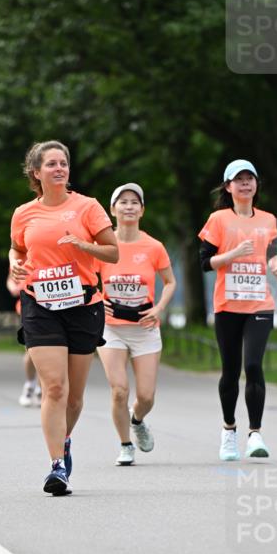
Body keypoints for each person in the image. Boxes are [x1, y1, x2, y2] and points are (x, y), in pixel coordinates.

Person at [10, 140, 118, 495]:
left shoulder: (87, 207)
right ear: (36, 172)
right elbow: (18, 248)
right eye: (51, 164)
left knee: (73, 397)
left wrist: (83, 246)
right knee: (54, 388)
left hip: (82, 305)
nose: (59, 169)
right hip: (39, 304)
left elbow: (113, 252)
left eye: (63, 164)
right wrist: (13, 262)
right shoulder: (24, 213)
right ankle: (57, 467)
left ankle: (65, 439)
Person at [198, 159, 277, 460]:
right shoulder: (218, 220)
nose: (245, 184)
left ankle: (255, 434)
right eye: (239, 180)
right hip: (227, 305)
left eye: (250, 179)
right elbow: (204, 262)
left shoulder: (268, 219)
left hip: (259, 304)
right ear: (228, 186)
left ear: (256, 185)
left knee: (253, 365)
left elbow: (271, 253)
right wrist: (233, 254)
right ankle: (228, 430)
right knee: (231, 370)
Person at [98, 184, 176, 466]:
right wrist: (96, 300)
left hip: (144, 328)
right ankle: (125, 444)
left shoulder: (153, 246)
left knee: (145, 396)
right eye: (123, 202)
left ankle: (138, 419)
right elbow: (85, 278)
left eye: (134, 202)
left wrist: (159, 308)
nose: (129, 206)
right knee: (119, 389)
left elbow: (170, 282)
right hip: (111, 328)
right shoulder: (104, 247)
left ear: (142, 210)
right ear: (112, 209)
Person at [6, 272, 42, 407]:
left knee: (47, 352)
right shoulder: (21, 255)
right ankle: (30, 384)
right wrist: (12, 287)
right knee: (31, 352)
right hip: (28, 309)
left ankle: (41, 389)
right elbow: (11, 279)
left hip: (53, 308)